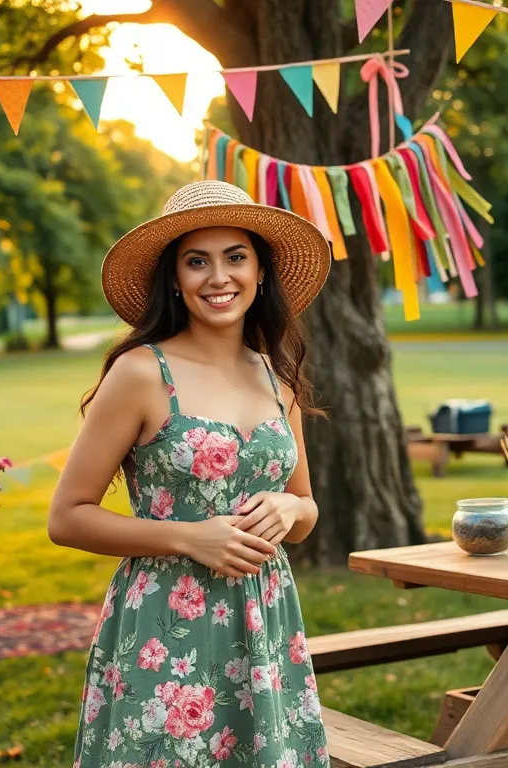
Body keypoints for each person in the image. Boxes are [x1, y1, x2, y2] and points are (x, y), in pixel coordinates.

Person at [48, 181, 334, 767]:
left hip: (266, 619)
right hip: (165, 628)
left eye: (235, 257)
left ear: (260, 271)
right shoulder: (141, 373)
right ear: (175, 279)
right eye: (196, 261)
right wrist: (187, 536)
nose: (218, 277)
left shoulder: (276, 378)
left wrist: (289, 509)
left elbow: (306, 511)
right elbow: (67, 517)